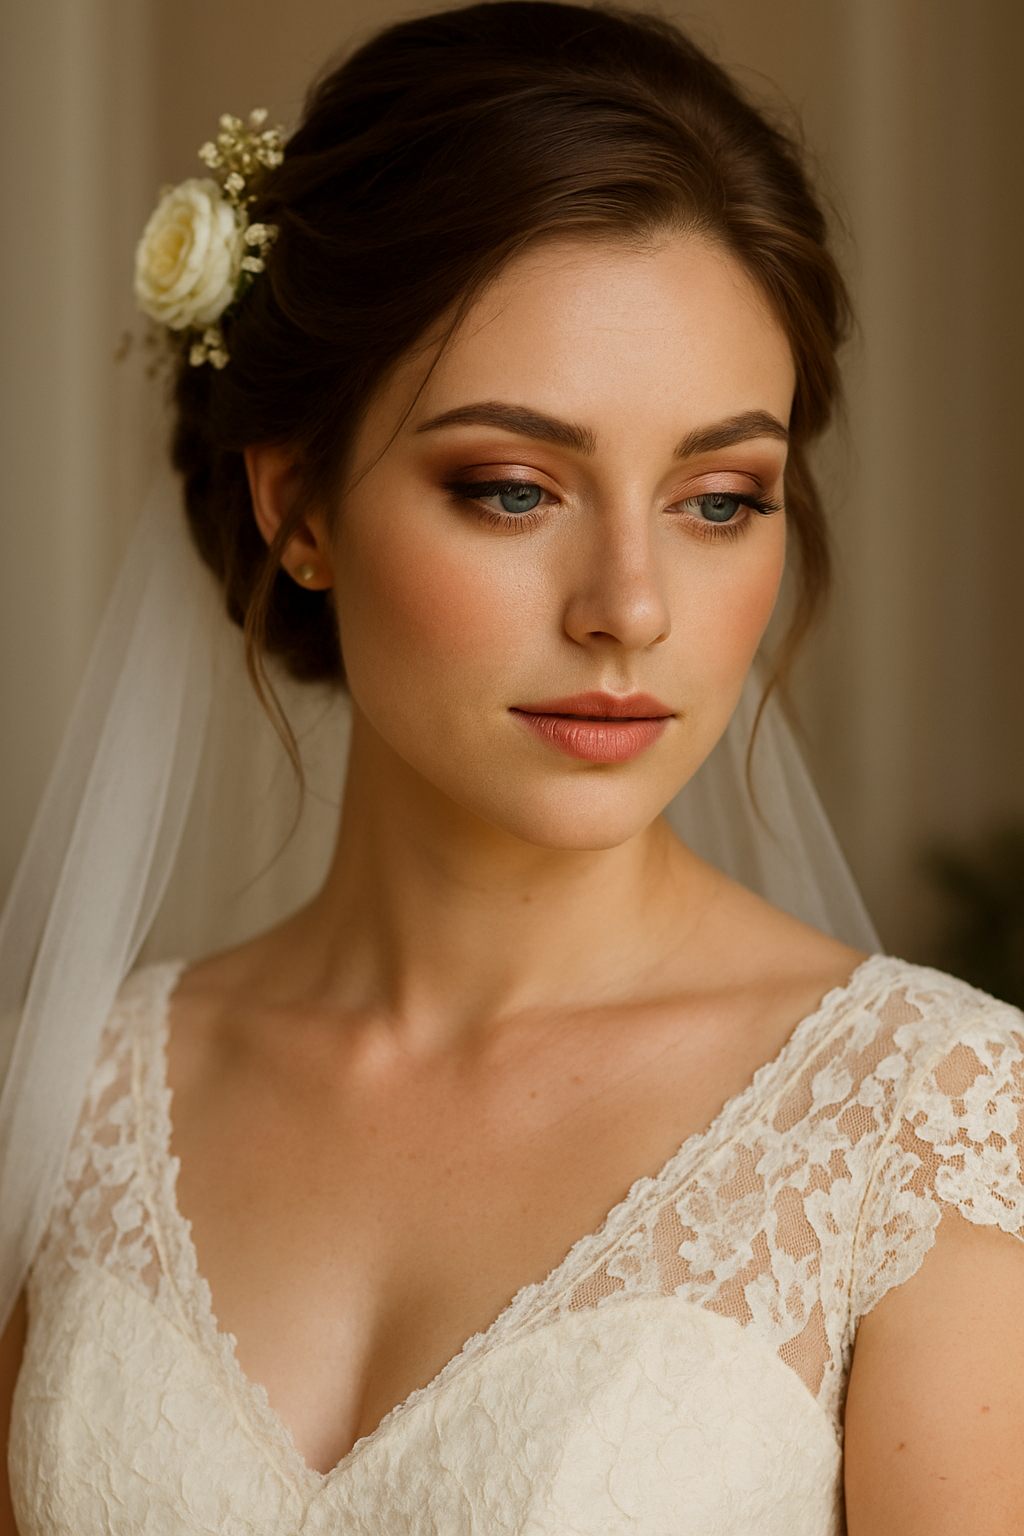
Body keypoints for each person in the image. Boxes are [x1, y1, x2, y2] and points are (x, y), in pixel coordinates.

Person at [2, 4, 1023, 1532]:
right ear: (299, 508)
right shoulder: (61, 1104)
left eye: (721, 498)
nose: (630, 605)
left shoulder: (934, 1131)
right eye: (513, 487)